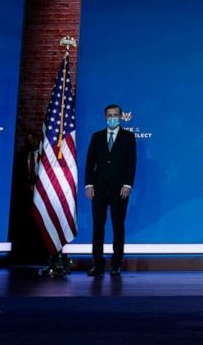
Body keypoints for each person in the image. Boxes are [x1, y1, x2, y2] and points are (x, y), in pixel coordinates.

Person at [85, 103, 137, 276]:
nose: (112, 118)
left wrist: (127, 185)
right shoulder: (97, 137)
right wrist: (89, 184)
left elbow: (131, 164)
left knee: (118, 226)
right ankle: (97, 263)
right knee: (98, 226)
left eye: (115, 115)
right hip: (99, 189)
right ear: (105, 117)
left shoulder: (128, 137)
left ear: (121, 117)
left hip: (119, 189)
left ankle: (116, 263)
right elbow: (90, 162)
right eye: (109, 115)